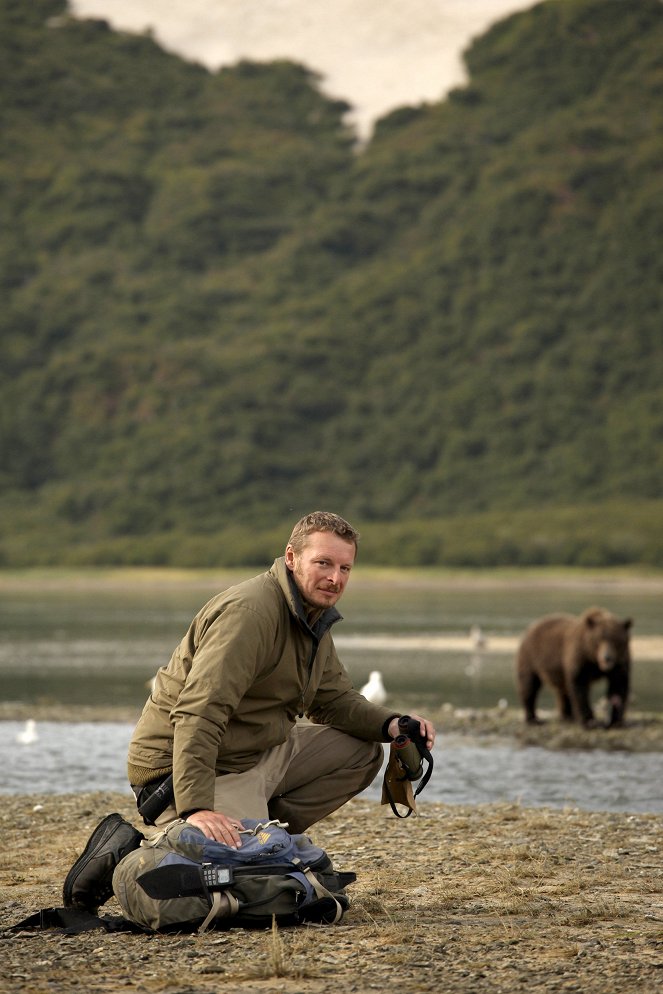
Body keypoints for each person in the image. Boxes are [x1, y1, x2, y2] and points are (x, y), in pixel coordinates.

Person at [127, 511, 436, 847]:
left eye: (345, 568)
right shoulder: (250, 614)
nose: (335, 578)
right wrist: (197, 808)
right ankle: (188, 837)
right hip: (184, 773)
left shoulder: (311, 615)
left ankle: (269, 837)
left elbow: (333, 701)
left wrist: (392, 724)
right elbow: (200, 711)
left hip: (254, 753)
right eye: (323, 563)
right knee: (241, 882)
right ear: (291, 558)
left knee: (363, 750)